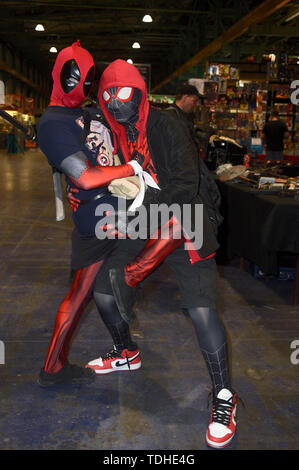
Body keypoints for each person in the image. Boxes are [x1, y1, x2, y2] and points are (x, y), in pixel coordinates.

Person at [86, 59, 238, 449]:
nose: (115, 101)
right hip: (149, 216)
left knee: (202, 310)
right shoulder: (120, 131)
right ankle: (126, 351)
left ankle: (224, 396)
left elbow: (185, 187)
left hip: (186, 220)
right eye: (108, 95)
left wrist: (138, 192)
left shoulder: (167, 125)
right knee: (104, 291)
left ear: (138, 92)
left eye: (122, 93)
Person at [36, 41, 146, 387]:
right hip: (99, 222)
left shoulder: (88, 111)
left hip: (125, 213)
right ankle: (52, 369)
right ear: (59, 76)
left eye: (86, 80)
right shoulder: (53, 123)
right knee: (82, 293)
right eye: (75, 78)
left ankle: (125, 349)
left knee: (106, 287)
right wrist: (132, 167)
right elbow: (85, 178)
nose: (80, 87)